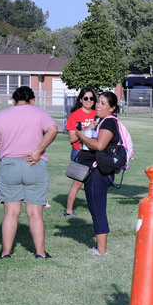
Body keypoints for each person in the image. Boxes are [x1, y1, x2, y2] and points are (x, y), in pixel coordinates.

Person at [0, 86, 58, 259]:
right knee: (35, 213)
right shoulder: (39, 113)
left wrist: (9, 143)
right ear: (32, 100)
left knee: (11, 213)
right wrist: (38, 150)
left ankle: (5, 253)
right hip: (34, 164)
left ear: (13, 100)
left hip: (9, 165)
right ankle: (40, 253)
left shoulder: (1, 115)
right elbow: (53, 129)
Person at [74, 91, 124, 256]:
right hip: (96, 170)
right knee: (96, 208)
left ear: (112, 108)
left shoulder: (108, 122)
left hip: (98, 173)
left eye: (103, 103)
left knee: (98, 210)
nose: (98, 105)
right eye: (98, 102)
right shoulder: (102, 121)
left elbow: (100, 145)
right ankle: (100, 248)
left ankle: (101, 251)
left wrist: (82, 136)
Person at [63, 87, 99, 217]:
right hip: (80, 152)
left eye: (92, 98)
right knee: (78, 183)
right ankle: (68, 211)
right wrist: (86, 128)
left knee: (95, 183)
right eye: (86, 98)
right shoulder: (74, 116)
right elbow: (72, 139)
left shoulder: (97, 114)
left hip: (95, 152)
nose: (89, 100)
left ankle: (96, 209)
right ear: (81, 100)